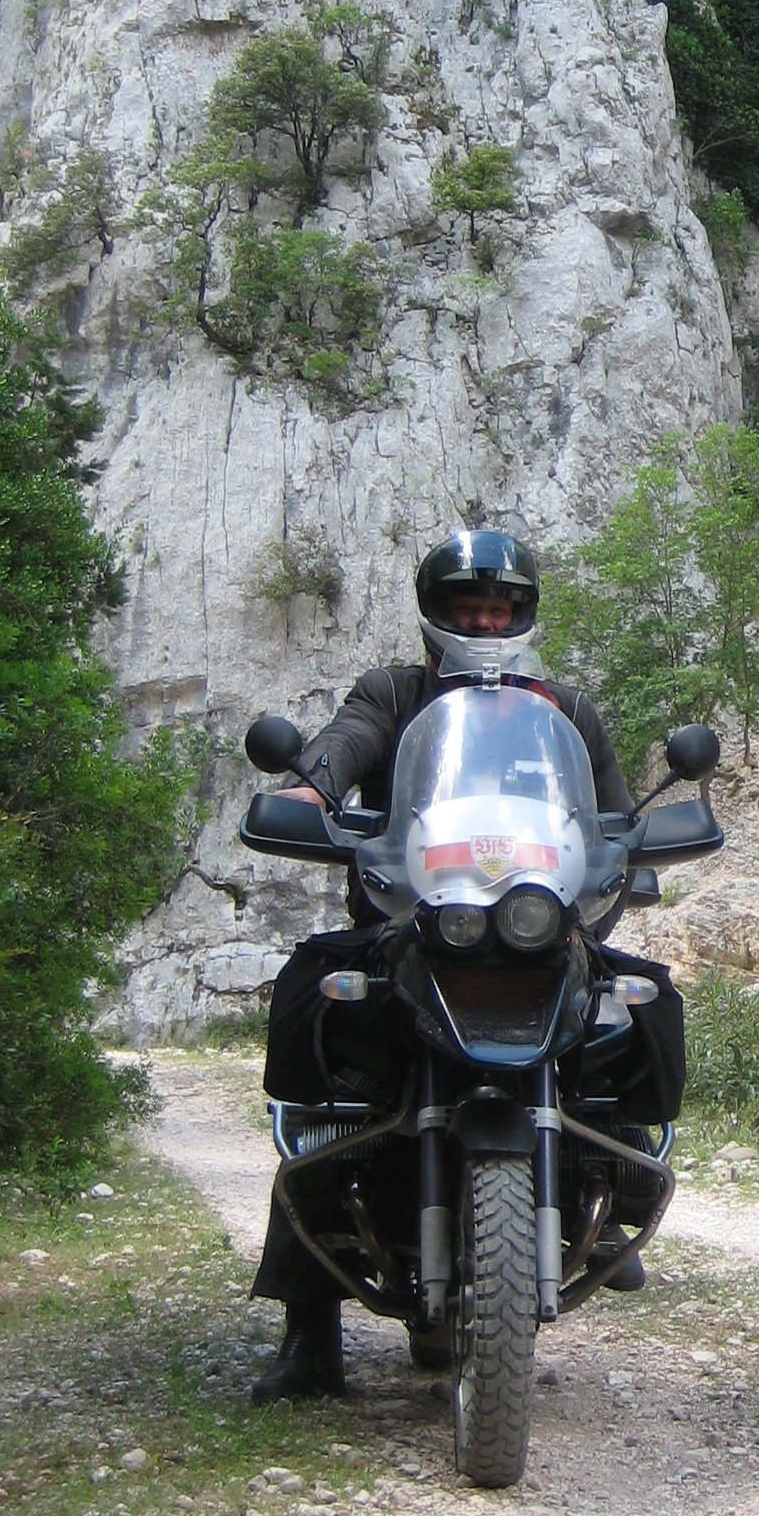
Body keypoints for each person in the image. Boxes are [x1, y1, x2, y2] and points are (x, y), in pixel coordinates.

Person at [249, 527, 638, 1403]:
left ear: (524, 614)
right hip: (414, 930)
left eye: (500, 607)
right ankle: (308, 1329)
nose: (486, 621)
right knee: (310, 994)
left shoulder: (565, 712)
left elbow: (614, 824)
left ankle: (609, 1185)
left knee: (646, 1005)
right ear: (436, 614)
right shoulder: (392, 693)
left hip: (541, 930)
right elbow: (346, 743)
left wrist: (631, 856)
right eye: (469, 607)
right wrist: (312, 788)